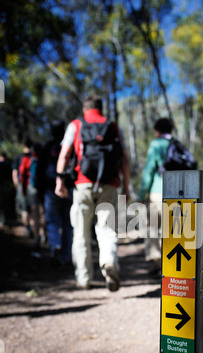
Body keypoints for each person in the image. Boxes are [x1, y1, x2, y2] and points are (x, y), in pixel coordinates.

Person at [55, 94, 130, 291]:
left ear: (84, 109)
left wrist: (59, 181)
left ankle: (83, 278)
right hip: (109, 184)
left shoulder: (76, 125)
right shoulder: (113, 127)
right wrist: (126, 187)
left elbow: (64, 154)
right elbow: (125, 159)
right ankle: (109, 261)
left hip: (82, 184)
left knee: (80, 231)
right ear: (101, 109)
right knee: (107, 228)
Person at [138, 117, 174, 275]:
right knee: (171, 230)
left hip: (157, 193)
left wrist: (141, 194)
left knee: (152, 227)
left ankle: (157, 262)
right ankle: (170, 265)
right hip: (177, 193)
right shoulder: (176, 144)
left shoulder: (156, 144)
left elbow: (149, 171)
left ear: (157, 131)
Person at [38, 120, 73, 267]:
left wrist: (40, 190)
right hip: (68, 188)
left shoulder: (47, 147)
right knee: (67, 222)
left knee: (52, 220)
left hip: (50, 189)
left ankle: (55, 245)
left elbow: (40, 170)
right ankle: (65, 256)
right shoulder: (69, 146)